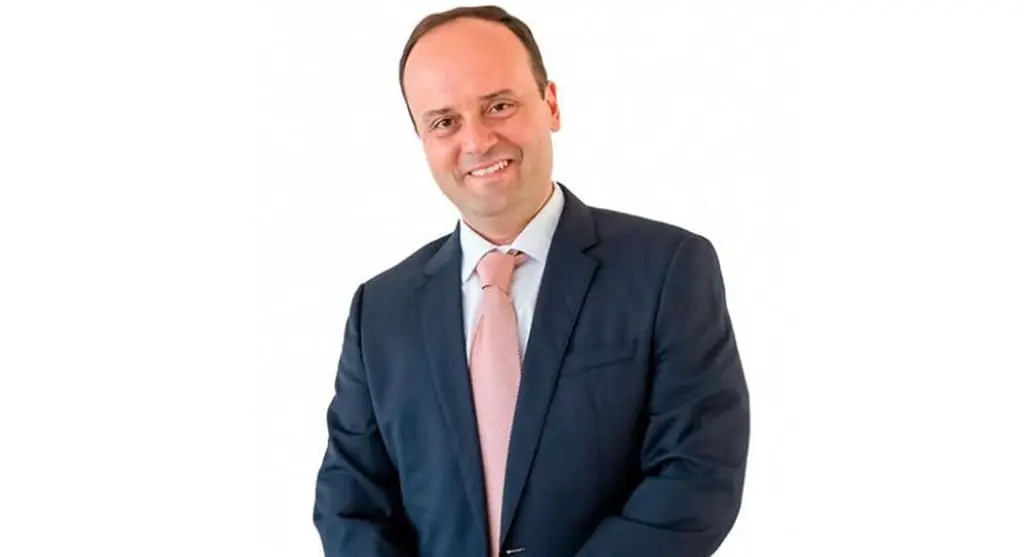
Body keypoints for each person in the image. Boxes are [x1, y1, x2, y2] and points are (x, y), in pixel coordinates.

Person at [312, 5, 750, 556]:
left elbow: (696, 473)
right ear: (422, 138)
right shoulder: (379, 310)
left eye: (498, 106)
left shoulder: (667, 270)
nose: (477, 141)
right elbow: (350, 501)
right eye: (444, 122)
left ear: (551, 104)